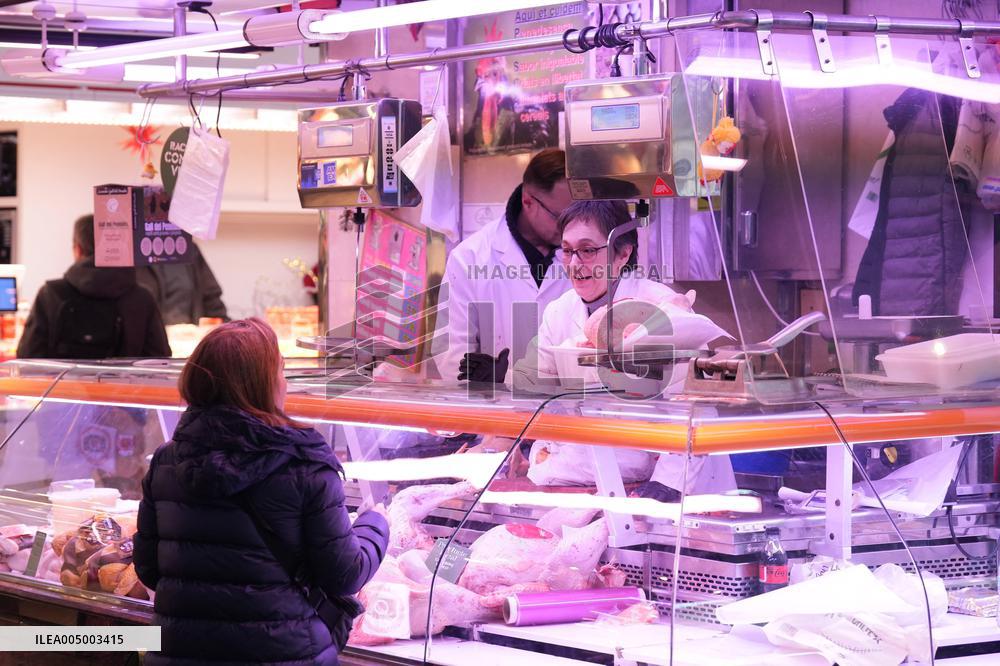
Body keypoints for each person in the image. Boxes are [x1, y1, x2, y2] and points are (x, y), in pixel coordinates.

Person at [134, 318, 389, 665]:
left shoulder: (167, 460)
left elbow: (149, 570)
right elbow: (345, 574)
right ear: (262, 384)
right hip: (283, 654)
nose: (284, 382)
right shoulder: (304, 464)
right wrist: (375, 524)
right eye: (280, 370)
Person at [512, 200, 735, 496]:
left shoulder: (662, 310)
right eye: (567, 251)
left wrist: (666, 485)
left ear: (623, 253)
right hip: (593, 476)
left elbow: (699, 402)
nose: (575, 264)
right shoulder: (559, 312)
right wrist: (518, 445)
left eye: (588, 250)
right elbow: (538, 391)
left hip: (677, 488)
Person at [434, 148, 574, 383]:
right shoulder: (469, 259)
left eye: (574, 214)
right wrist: (497, 382)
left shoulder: (587, 256)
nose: (568, 226)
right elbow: (451, 354)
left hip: (569, 408)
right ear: (528, 201)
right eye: (560, 217)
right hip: (495, 410)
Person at [16, 214, 170, 359]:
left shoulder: (50, 294)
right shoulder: (142, 299)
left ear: (78, 249)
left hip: (61, 388)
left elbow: (28, 356)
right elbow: (160, 359)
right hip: (127, 388)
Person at [136, 240, 228, 325]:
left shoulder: (187, 249)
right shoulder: (128, 253)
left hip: (190, 337)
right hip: (149, 338)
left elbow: (213, 303)